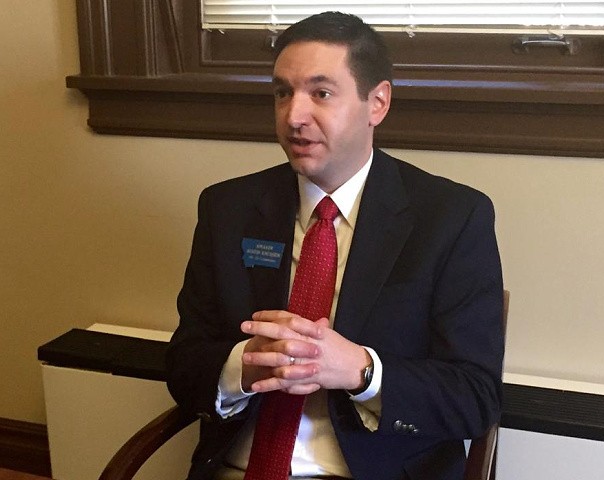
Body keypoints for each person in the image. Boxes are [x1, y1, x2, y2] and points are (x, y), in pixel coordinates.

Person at [166, 11, 504, 480]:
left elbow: (475, 396)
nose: (294, 116)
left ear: (377, 103)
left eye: (320, 93)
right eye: (283, 92)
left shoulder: (451, 219)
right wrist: (240, 366)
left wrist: (363, 371)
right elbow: (184, 362)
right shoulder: (228, 208)